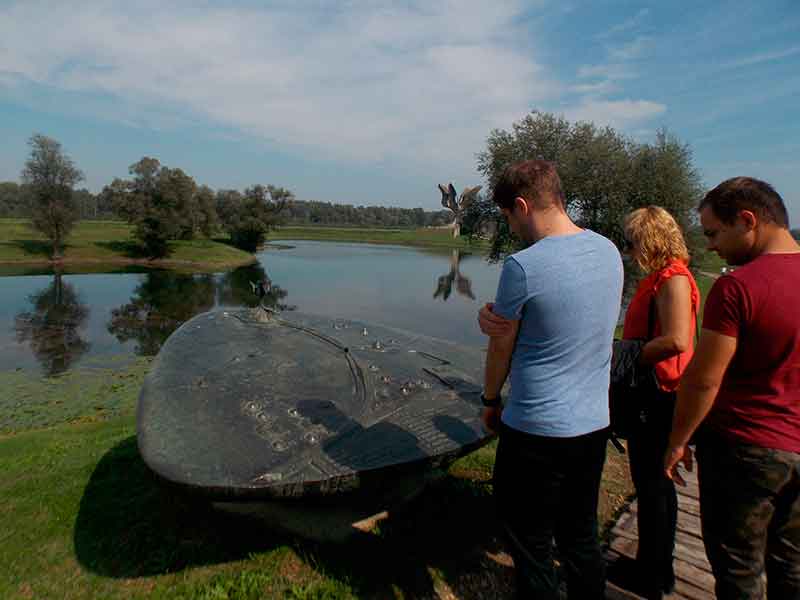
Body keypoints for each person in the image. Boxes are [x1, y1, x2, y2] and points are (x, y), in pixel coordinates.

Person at [478, 160, 623, 599]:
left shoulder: (523, 266)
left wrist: (489, 400)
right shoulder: (608, 251)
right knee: (580, 537)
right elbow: (566, 319)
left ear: (522, 206)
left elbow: (502, 345)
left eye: (508, 216)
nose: (511, 226)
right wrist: (503, 318)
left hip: (535, 430)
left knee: (530, 540)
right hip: (594, 426)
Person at [664, 177, 800, 599]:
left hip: (747, 449)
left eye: (712, 233)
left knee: (738, 569)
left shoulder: (737, 287)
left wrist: (678, 440)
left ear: (747, 221)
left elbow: (704, 379)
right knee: (792, 566)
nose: (709, 246)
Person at [619, 206, 700, 599]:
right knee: (652, 485)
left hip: (660, 395)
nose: (630, 248)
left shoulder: (673, 279)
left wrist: (624, 356)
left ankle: (653, 575)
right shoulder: (661, 278)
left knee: (654, 487)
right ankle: (652, 566)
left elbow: (678, 340)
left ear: (649, 239)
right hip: (654, 392)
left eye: (632, 240)